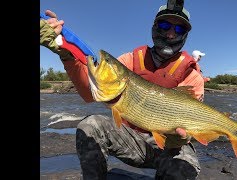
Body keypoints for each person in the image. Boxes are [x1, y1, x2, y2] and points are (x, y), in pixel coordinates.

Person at [40, 1, 204, 179]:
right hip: (132, 140)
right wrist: (66, 51)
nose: (171, 33)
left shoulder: (192, 75)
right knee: (90, 125)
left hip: (171, 146)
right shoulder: (130, 60)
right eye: (164, 25)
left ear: (185, 35)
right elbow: (89, 93)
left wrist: (183, 138)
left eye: (179, 29)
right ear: (155, 27)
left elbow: (195, 127)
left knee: (185, 166)